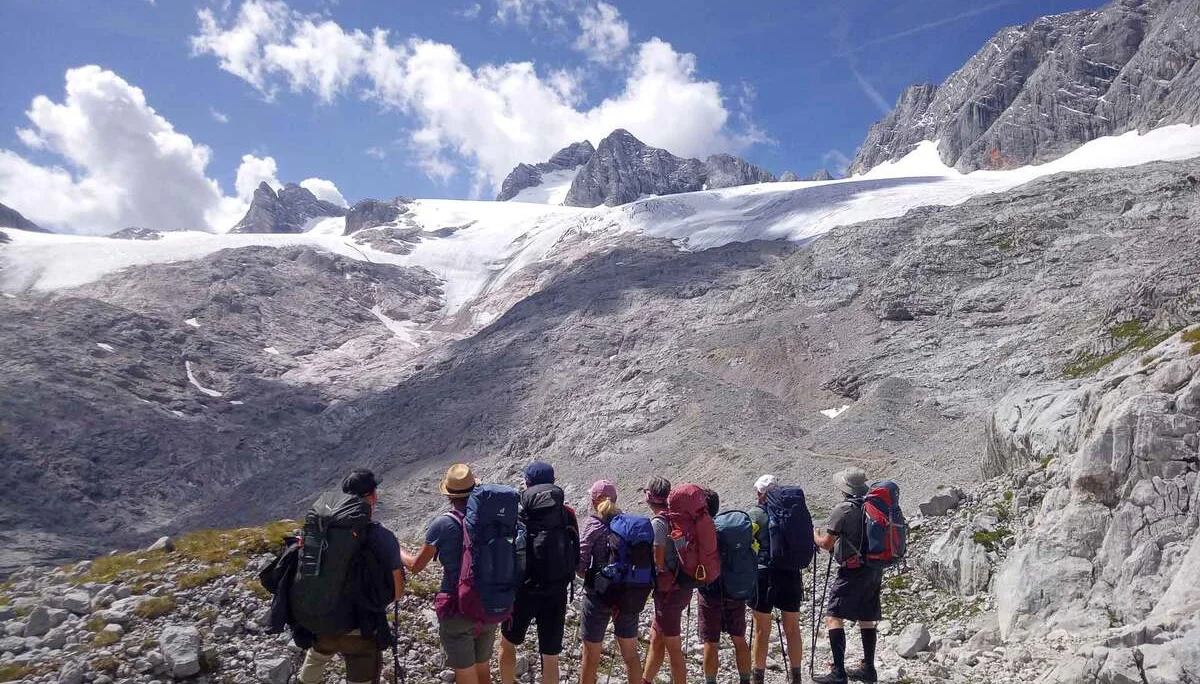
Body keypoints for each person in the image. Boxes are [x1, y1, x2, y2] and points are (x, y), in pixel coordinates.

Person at [297, 469, 406, 684]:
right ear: (373, 497)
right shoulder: (382, 537)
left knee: (316, 659)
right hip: (361, 630)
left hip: (321, 623)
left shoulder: (321, 530)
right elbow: (397, 592)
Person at [402, 464, 496, 684]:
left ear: (449, 495)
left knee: (466, 673)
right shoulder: (490, 519)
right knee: (483, 668)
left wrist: (398, 552)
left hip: (458, 607)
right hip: (489, 606)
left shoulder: (443, 523)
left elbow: (416, 566)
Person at [500, 462, 578, 684]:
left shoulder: (519, 514)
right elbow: (575, 553)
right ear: (553, 482)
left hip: (524, 591)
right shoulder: (567, 514)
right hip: (556, 591)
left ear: (527, 483)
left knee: (507, 642)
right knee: (550, 655)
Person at [812, 468, 882, 684]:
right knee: (867, 617)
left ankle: (838, 672)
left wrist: (814, 535)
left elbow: (827, 544)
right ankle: (868, 669)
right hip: (874, 568)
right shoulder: (873, 506)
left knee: (834, 615)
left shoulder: (844, 509)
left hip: (851, 570)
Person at [578, 480, 652, 684]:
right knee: (630, 655)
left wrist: (594, 577)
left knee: (591, 655)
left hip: (597, 597)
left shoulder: (592, 525)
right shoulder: (627, 525)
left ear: (594, 501)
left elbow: (580, 565)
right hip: (628, 596)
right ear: (616, 499)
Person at [747, 475, 805, 684]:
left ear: (761, 494)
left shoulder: (756, 514)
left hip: (765, 575)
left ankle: (758, 677)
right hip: (790, 573)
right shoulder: (791, 513)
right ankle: (796, 676)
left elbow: (746, 542)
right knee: (792, 627)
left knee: (762, 628)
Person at [698, 489, 752, 684]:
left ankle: (710, 681)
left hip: (710, 592)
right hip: (735, 590)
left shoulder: (704, 531)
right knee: (739, 638)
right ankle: (745, 680)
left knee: (710, 643)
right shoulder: (730, 530)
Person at [641, 476, 691, 684]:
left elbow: (658, 560)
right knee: (656, 638)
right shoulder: (677, 517)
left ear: (650, 497)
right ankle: (645, 680)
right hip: (682, 585)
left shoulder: (659, 523)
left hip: (668, 590)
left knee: (673, 646)